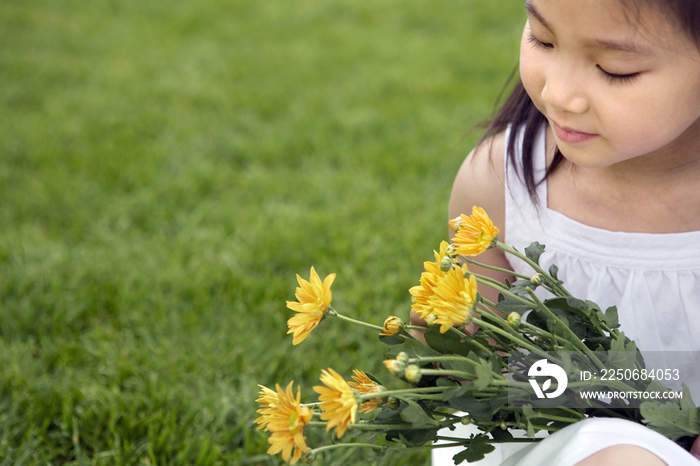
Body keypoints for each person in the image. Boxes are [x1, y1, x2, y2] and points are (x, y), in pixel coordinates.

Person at [413, 0, 700, 464]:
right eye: (542, 39)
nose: (558, 94)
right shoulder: (498, 181)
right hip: (544, 438)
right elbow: (474, 369)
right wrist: (446, 341)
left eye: (616, 69)